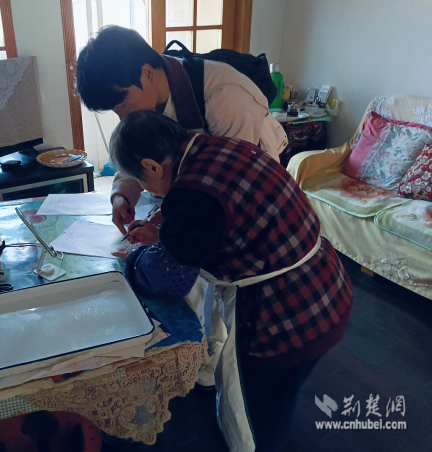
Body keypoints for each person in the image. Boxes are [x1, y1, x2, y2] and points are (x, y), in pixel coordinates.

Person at [109, 110, 353, 452]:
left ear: (151, 166)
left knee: (254, 420)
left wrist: (136, 255)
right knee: (280, 398)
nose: (150, 192)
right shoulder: (216, 147)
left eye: (145, 184)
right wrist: (167, 227)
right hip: (326, 286)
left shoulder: (192, 195)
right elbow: (224, 210)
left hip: (283, 316)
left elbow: (170, 277)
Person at [76, 25, 288, 235]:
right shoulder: (148, 95)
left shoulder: (225, 96)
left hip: (252, 208)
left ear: (146, 73)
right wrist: (121, 195)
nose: (122, 117)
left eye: (122, 104)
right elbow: (137, 153)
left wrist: (169, 231)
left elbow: (231, 189)